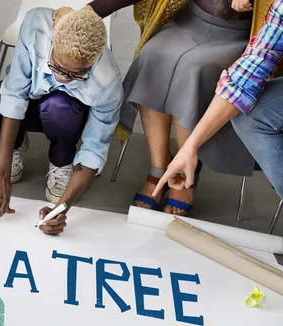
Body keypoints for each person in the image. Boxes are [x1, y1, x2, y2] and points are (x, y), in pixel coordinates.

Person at [56, 0, 273, 217]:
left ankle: (185, 173)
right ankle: (159, 167)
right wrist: (93, 10)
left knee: (192, 70)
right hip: (188, 22)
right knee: (152, 57)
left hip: (240, 35)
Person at [0, 8, 123, 236]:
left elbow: (93, 150)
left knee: (60, 108)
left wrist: (63, 208)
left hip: (65, 116)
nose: (61, 77)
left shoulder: (107, 84)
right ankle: (16, 145)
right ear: (53, 40)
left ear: (92, 61)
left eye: (74, 75)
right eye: (56, 66)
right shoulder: (36, 26)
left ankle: (61, 161)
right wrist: (1, 175)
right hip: (29, 97)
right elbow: (15, 94)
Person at [154, 0, 283, 207]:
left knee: (193, 67)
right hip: (195, 26)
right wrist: (190, 148)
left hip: (231, 33)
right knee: (250, 116)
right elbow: (255, 65)